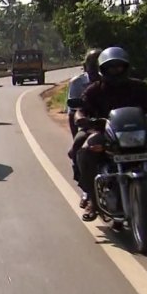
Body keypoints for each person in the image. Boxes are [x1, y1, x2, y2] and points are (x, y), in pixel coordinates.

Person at [74, 47, 147, 221]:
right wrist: (81, 118)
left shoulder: (139, 86)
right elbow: (80, 109)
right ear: (102, 69)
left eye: (119, 67)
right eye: (111, 67)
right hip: (105, 132)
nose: (115, 71)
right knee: (85, 151)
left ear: (126, 67)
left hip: (138, 130)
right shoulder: (94, 90)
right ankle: (92, 197)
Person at [67, 48, 102, 208]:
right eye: (92, 65)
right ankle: (88, 189)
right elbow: (74, 112)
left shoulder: (121, 82)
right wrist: (79, 131)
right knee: (79, 150)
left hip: (117, 127)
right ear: (85, 66)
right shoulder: (81, 84)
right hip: (91, 126)